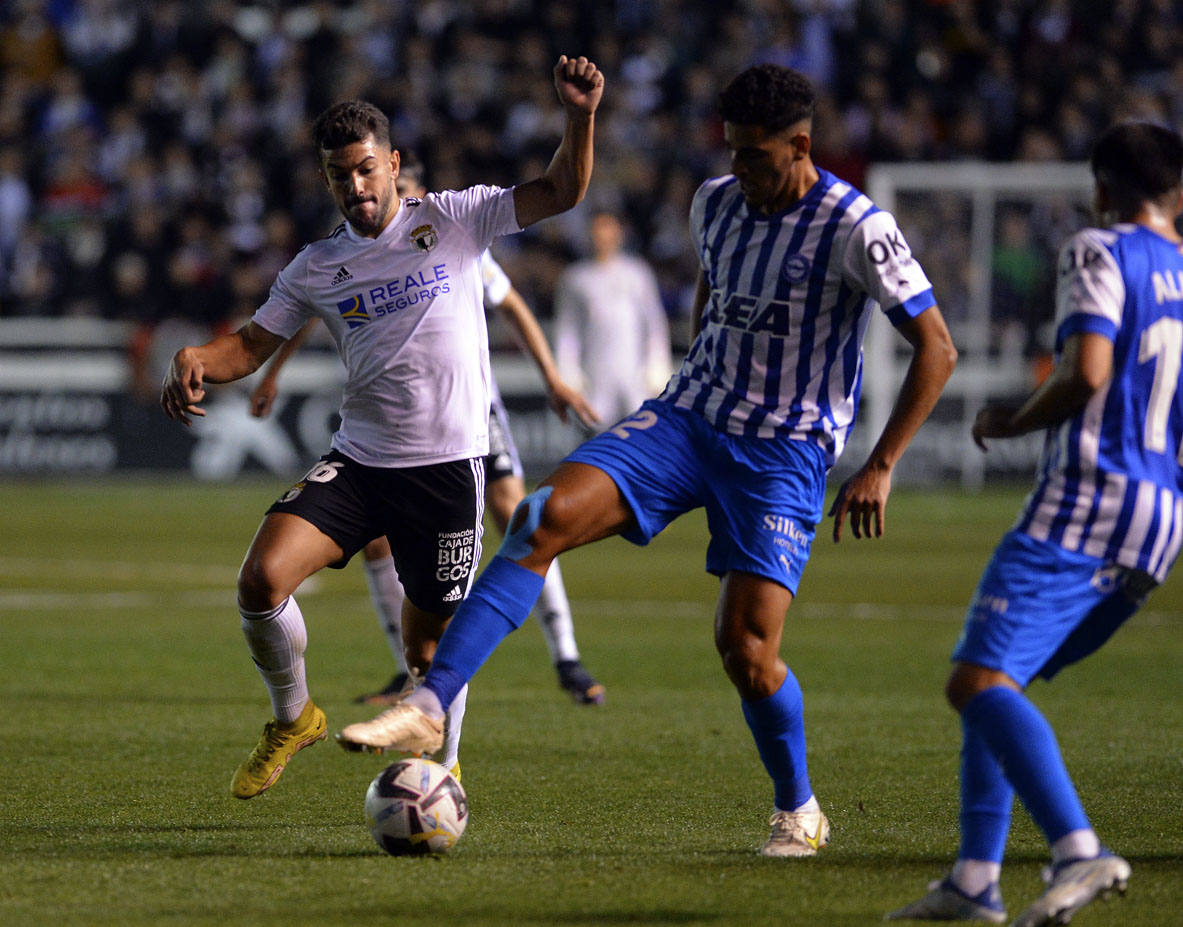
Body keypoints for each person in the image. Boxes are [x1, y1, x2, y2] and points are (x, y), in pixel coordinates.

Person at [336, 63, 957, 857]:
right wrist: (696, 369)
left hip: (782, 452)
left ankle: (797, 807)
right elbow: (715, 293)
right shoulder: (715, 203)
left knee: (746, 649)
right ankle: (430, 701)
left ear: (800, 146)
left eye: (756, 159)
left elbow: (934, 347)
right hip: (687, 418)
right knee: (539, 515)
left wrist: (881, 462)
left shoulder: (856, 226)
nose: (741, 172)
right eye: (731, 153)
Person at [160, 55, 605, 798]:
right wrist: (196, 357)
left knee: (427, 645)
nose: (355, 187)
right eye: (339, 176)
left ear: (393, 164)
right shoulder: (317, 265)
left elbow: (561, 189)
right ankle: (292, 717)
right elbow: (249, 345)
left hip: (446, 469)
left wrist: (580, 116)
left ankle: (445, 771)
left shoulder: (455, 219)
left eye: (366, 169)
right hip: (361, 460)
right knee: (260, 580)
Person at [888, 121, 1183, 927]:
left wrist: (1013, 422)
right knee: (1000, 674)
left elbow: (1087, 373)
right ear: (1177, 194)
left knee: (974, 683)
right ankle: (974, 878)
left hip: (1089, 497)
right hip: (1160, 516)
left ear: (1100, 187)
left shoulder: (1096, 250)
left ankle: (1076, 849)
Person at [248, 153, 608, 708]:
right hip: (389, 434)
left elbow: (510, 302)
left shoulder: (449, 233)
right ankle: (406, 670)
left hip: (469, 415)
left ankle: (567, 655)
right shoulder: (343, 254)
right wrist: (272, 369)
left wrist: (554, 379)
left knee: (517, 518)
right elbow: (307, 309)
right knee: (377, 544)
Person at [553, 210, 672, 424]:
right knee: (599, 433)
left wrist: (658, 364)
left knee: (638, 434)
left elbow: (654, 323)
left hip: (634, 373)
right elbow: (567, 329)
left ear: (619, 233)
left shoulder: (637, 273)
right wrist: (568, 371)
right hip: (595, 371)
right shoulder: (576, 278)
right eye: (598, 231)